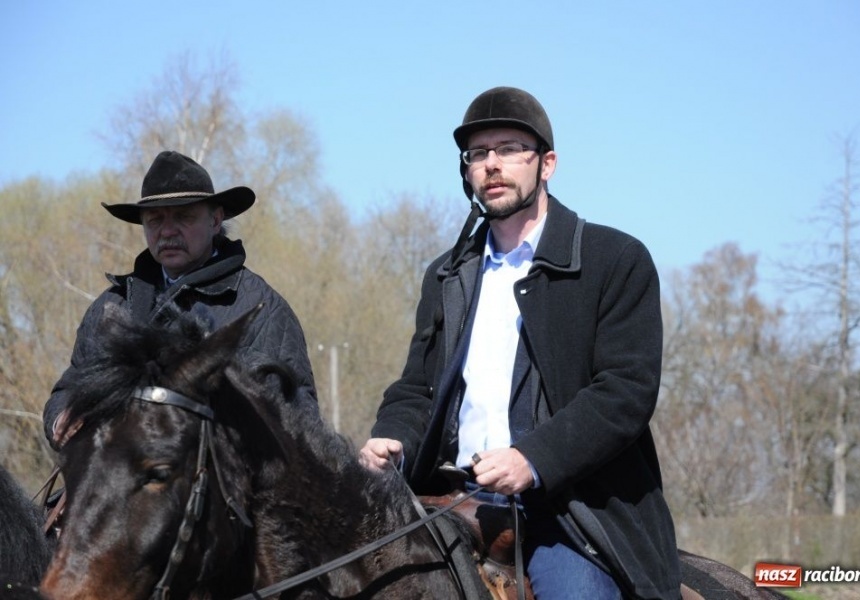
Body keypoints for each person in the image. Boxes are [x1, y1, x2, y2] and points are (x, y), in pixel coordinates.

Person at [359, 87, 681, 599]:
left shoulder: (614, 259)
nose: (492, 164)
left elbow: (626, 391)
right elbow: (417, 387)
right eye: (478, 154)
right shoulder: (447, 274)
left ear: (547, 164)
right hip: (446, 496)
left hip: (569, 513)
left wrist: (531, 459)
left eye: (509, 149)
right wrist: (393, 440)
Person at [44, 150, 318, 449]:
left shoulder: (261, 310)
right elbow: (69, 388)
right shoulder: (112, 306)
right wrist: (63, 417)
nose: (167, 231)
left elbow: (299, 419)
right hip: (114, 479)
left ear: (215, 220)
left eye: (183, 217)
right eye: (155, 220)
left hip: (221, 488)